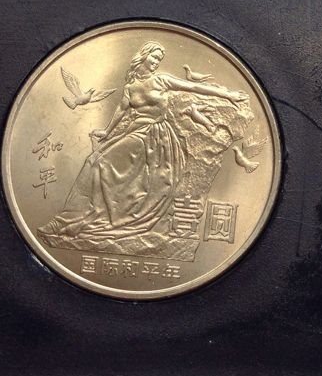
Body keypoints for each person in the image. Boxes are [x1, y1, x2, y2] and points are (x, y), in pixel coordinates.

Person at [39, 41, 247, 242]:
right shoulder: (131, 87)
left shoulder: (162, 80)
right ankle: (69, 219)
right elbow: (121, 110)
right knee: (92, 161)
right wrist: (107, 132)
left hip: (155, 136)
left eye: (159, 59)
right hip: (135, 131)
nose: (156, 62)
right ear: (143, 57)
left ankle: (90, 216)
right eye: (154, 57)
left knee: (102, 162)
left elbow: (193, 87)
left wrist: (227, 94)